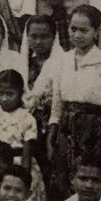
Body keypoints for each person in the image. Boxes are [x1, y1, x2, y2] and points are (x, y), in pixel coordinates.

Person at [47, 4, 101, 201]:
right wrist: (51, 137)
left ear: (96, 32)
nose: (77, 35)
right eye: (73, 29)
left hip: (96, 133)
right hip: (67, 134)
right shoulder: (62, 60)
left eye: (84, 30)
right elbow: (57, 105)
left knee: (93, 186)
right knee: (66, 186)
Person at [0, 69, 45, 201]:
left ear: (20, 94)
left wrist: (23, 176)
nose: (4, 98)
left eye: (9, 94)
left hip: (20, 163)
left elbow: (27, 152)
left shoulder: (27, 117)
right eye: (0, 93)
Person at [20, 16, 63, 183]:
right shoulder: (22, 64)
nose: (38, 41)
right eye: (34, 36)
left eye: (44, 36)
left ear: (54, 37)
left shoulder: (61, 62)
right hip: (25, 129)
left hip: (52, 128)